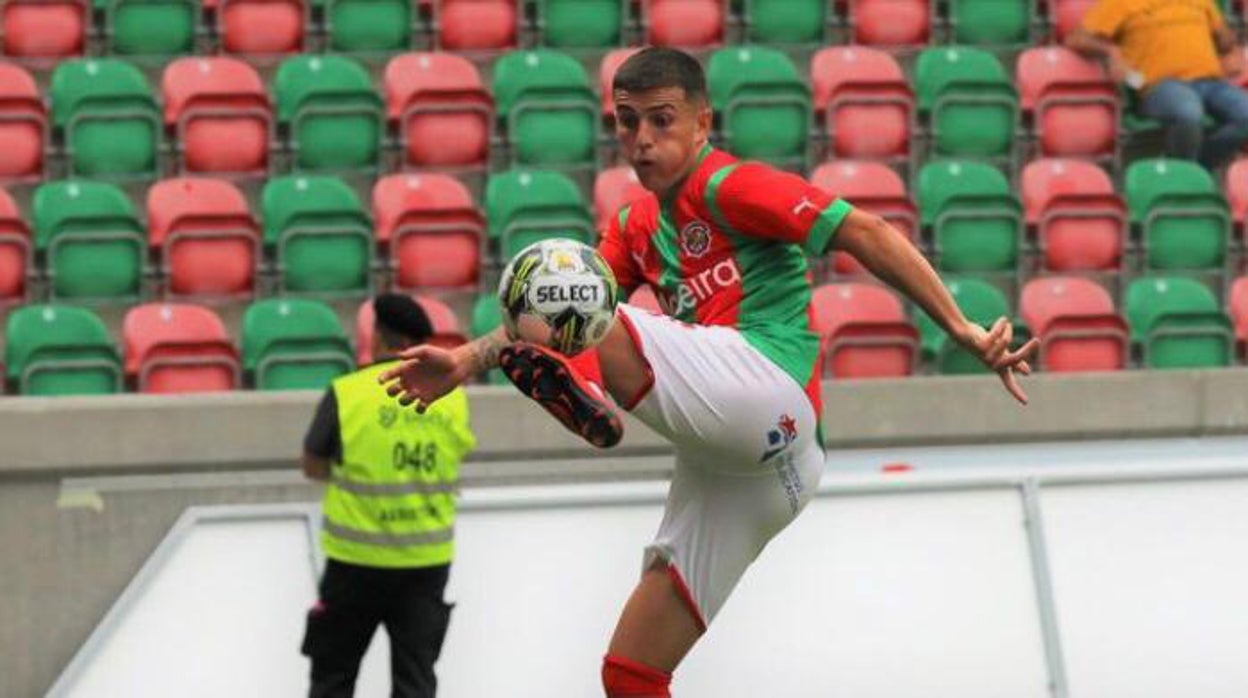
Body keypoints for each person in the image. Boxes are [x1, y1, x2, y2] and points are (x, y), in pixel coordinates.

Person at [380, 48, 1038, 696]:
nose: (642, 140)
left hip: (769, 391)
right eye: (627, 121)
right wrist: (466, 358)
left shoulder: (730, 185)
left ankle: (580, 388)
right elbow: (555, 309)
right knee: (630, 674)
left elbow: (862, 231)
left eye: (661, 120)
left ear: (702, 123)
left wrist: (960, 327)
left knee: (564, 274)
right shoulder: (635, 223)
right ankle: (575, 382)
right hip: (759, 474)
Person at [301, 293, 476, 698]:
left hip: (354, 563)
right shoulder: (453, 397)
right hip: (426, 563)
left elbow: (313, 462)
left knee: (333, 679)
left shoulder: (348, 392)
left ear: (377, 336)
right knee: (415, 683)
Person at [1066, 0, 1248, 171]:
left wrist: (1232, 49)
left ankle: (1196, 170)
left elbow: (1224, 40)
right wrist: (1111, 50)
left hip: (1208, 82)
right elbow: (1076, 39)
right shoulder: (1120, 3)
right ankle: (1186, 175)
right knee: (1188, 111)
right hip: (1158, 85)